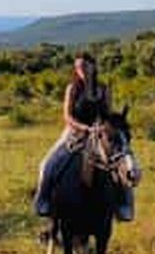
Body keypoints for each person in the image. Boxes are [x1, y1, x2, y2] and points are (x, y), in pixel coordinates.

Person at [32, 51, 133, 221]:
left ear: (94, 67)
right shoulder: (72, 88)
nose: (82, 69)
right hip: (74, 131)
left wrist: (110, 125)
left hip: (100, 133)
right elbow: (67, 116)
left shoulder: (104, 89)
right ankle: (43, 201)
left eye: (85, 66)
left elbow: (108, 114)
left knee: (123, 163)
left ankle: (124, 206)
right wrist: (85, 128)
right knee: (47, 163)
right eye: (78, 67)